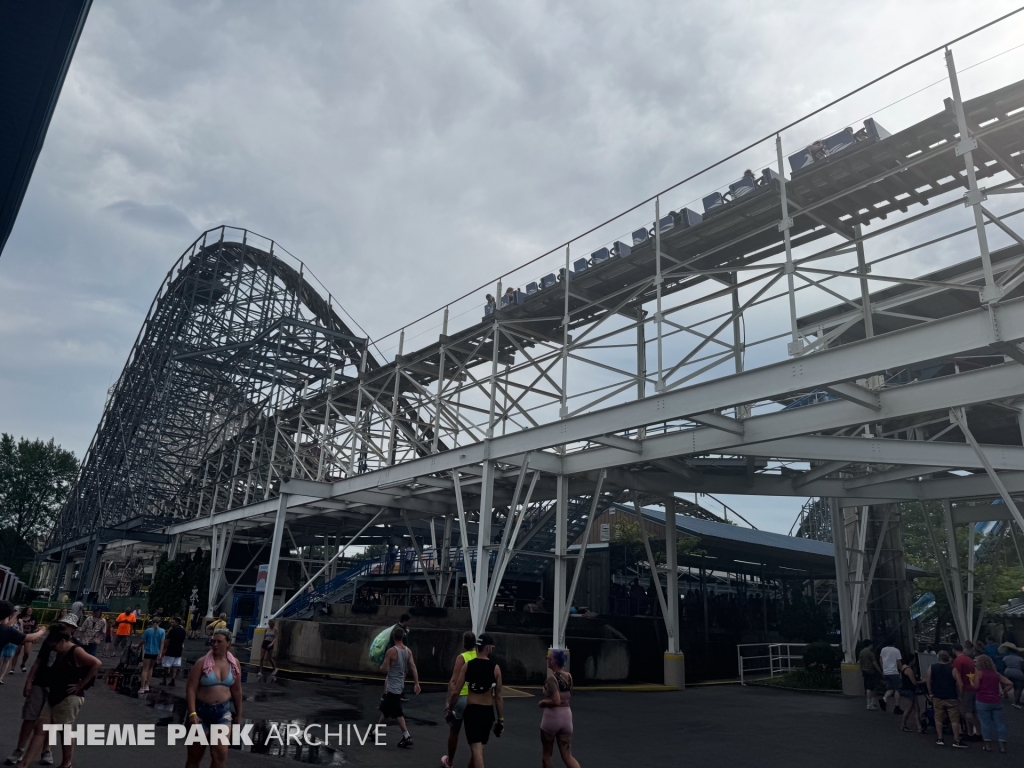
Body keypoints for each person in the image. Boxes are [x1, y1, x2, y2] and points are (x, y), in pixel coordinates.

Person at [14, 620, 102, 768]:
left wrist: (81, 684)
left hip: (69, 696)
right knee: (40, 729)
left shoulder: (76, 650)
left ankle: (66, 763)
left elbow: (96, 663)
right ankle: (25, 763)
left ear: (62, 641)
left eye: (54, 646)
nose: (53, 649)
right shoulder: (58, 650)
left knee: (65, 730)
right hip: (54, 695)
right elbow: (40, 662)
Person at [185, 628, 243, 768]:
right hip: (201, 713)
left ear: (228, 643)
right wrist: (192, 713)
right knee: (194, 757)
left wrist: (239, 715)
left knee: (220, 756)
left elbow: (236, 691)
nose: (215, 644)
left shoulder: (234, 663)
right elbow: (191, 688)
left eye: (219, 642)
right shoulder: (202, 662)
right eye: (213, 641)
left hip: (223, 713)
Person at [447, 633, 504, 768]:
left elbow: (456, 691)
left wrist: (449, 709)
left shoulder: (468, 666)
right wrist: (500, 719)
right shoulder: (495, 668)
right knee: (478, 748)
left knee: (476, 750)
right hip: (488, 712)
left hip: (473, 711)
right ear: (488, 648)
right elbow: (499, 696)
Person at [378, 626, 421, 749]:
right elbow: (413, 667)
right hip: (400, 685)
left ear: (393, 637)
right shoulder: (408, 651)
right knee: (386, 711)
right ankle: (374, 732)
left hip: (392, 687)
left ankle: (407, 736)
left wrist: (381, 664)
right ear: (402, 638)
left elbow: (383, 669)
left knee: (397, 712)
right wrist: (416, 683)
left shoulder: (391, 651)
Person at [441, 631, 476, 768]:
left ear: (463, 643)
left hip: (461, 697)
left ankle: (450, 761)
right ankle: (473, 761)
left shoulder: (462, 658)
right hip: (475, 698)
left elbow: (454, 682)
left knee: (454, 731)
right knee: (474, 735)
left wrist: (448, 702)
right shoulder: (479, 657)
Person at [539, 648, 578, 768]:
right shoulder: (569, 676)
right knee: (567, 756)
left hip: (552, 718)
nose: (547, 660)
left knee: (547, 755)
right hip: (567, 717)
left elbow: (556, 700)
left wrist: (542, 703)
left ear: (553, 661)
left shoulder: (552, 678)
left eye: (549, 658)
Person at [927, 650, 968, 748]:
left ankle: (940, 738)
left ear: (938, 658)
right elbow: (960, 684)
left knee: (938, 718)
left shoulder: (932, 668)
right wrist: (960, 696)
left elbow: (928, 681)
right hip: (951, 696)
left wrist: (931, 694)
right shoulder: (953, 669)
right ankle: (957, 740)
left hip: (937, 696)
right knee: (954, 719)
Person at [973, 653, 1012, 752]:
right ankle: (1002, 746)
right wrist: (1003, 691)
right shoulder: (996, 673)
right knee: (1000, 724)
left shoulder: (979, 673)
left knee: (985, 723)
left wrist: (971, 681)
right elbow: (1010, 683)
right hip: (996, 700)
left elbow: (976, 687)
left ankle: (988, 745)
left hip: (982, 700)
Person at [951, 643, 979, 740]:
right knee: (974, 711)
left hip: (966, 688)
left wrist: (960, 693)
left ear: (954, 650)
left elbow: (958, 679)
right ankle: (978, 731)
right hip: (972, 686)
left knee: (966, 711)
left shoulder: (958, 661)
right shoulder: (969, 659)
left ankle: (970, 732)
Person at [137, 618, 165, 694]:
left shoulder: (148, 630)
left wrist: (138, 647)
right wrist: (160, 652)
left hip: (148, 651)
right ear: (160, 622)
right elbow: (162, 642)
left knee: (145, 669)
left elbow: (143, 641)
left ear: (152, 622)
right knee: (150, 668)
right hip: (156, 652)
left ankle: (142, 687)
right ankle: (147, 685)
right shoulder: (162, 631)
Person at [898, 654, 924, 733]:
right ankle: (903, 724)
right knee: (910, 708)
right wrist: (923, 681)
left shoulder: (903, 667)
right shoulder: (909, 669)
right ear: (911, 660)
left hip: (906, 689)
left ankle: (919, 726)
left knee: (916, 708)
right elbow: (914, 682)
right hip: (910, 690)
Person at [159, 616, 187, 687]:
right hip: (178, 651)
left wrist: (164, 648)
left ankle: (164, 680)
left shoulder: (172, 631)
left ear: (177, 622)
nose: (172, 623)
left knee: (166, 666)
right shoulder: (183, 631)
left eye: (173, 622)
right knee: (175, 666)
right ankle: (173, 680)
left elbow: (168, 640)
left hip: (170, 650)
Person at [879, 639, 903, 714]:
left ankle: (884, 699)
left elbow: (880, 660)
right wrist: (902, 670)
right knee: (897, 689)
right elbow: (898, 662)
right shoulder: (896, 650)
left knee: (890, 688)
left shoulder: (883, 650)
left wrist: (883, 669)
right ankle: (897, 706)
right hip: (894, 672)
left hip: (886, 672)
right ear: (894, 643)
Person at [858, 640, 882, 710]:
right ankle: (870, 704)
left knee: (869, 687)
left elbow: (860, 662)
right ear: (870, 645)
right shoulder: (870, 653)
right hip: (871, 671)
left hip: (864, 671)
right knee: (871, 687)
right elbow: (874, 663)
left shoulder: (861, 652)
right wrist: (880, 671)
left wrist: (861, 670)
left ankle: (871, 703)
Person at [12, 608, 36, 674]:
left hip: (29, 636)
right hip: (20, 636)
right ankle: (12, 668)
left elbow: (35, 628)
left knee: (27, 652)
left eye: (31, 611)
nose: (30, 612)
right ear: (25, 611)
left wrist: (35, 636)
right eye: (28, 610)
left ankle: (23, 664)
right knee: (17, 652)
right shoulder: (20, 618)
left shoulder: (33, 619)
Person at [1000, 642, 1024, 707]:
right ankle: (1016, 701)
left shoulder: (1005, 657)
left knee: (1008, 684)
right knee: (1018, 687)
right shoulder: (1020, 658)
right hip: (1018, 673)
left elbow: (1003, 665)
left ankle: (1004, 695)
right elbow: (1022, 666)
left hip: (1007, 671)